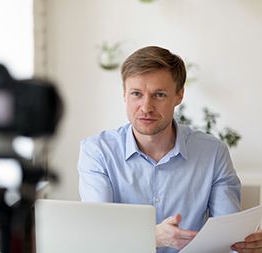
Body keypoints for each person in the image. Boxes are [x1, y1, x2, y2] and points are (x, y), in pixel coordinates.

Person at [77, 46, 262, 253]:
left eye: (160, 95)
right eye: (136, 94)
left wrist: (244, 246)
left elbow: (228, 238)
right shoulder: (97, 152)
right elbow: (97, 235)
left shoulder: (213, 153)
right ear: (124, 94)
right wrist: (151, 236)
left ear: (179, 95)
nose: (146, 107)